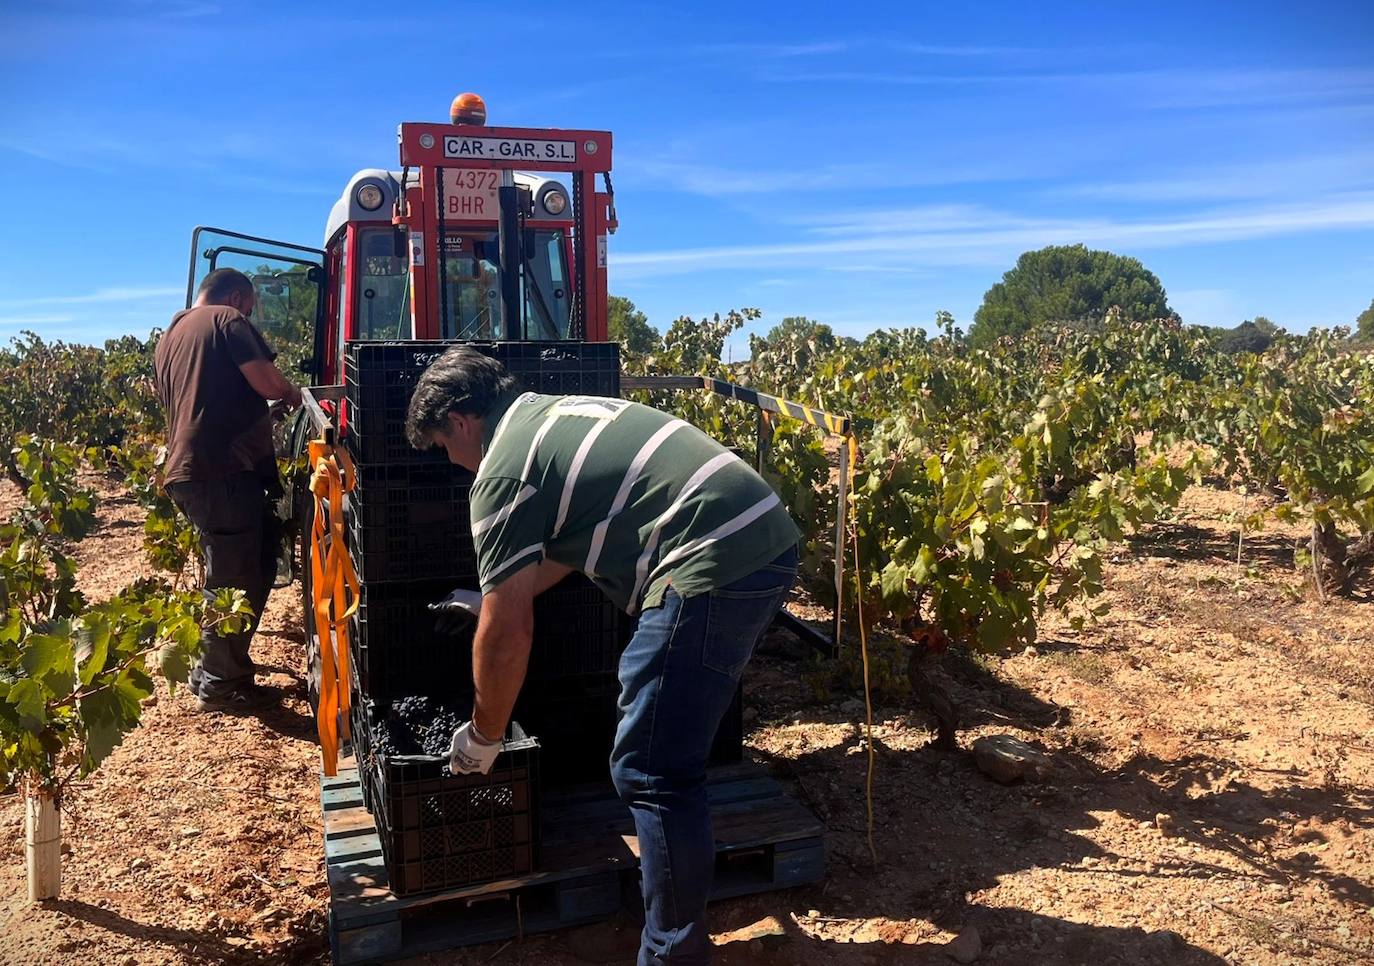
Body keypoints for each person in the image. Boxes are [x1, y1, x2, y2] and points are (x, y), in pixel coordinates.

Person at [407, 347, 799, 965]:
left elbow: (510, 633)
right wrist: (488, 597)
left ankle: (671, 954)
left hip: (710, 557)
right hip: (761, 537)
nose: (450, 463)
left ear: (460, 419)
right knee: (665, 758)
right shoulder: (550, 418)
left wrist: (482, 739)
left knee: (651, 769)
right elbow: (563, 550)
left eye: (441, 445)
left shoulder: (503, 471)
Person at [153, 268, 302, 713]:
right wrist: (292, 394)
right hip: (220, 471)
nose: (249, 314)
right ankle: (219, 685)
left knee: (249, 567)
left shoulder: (173, 334)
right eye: (251, 306)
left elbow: (208, 400)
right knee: (234, 579)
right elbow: (267, 382)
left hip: (190, 472)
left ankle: (217, 671)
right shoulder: (227, 321)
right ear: (237, 297)